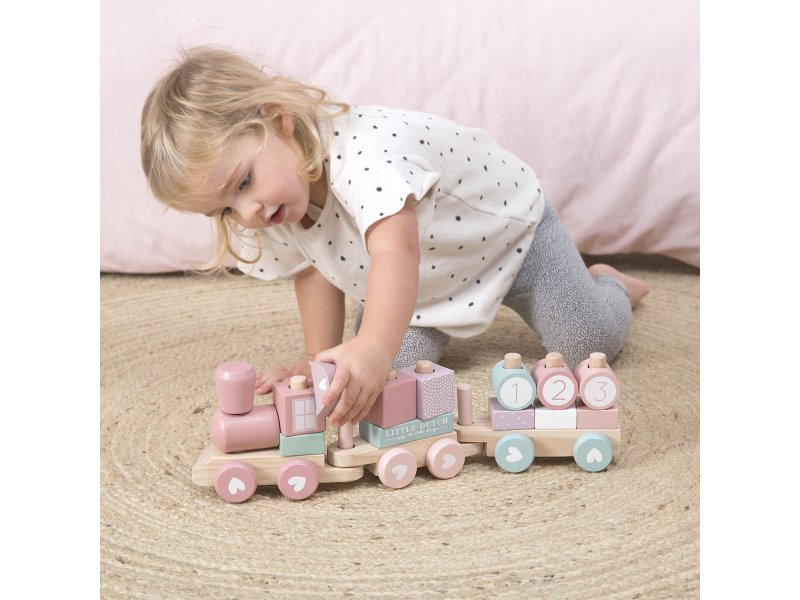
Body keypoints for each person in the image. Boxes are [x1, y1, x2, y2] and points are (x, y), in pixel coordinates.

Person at [141, 46, 649, 428]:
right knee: (373, 388)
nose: (246, 212)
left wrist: (373, 345)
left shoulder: (366, 154)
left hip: (508, 239)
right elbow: (313, 266)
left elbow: (396, 249)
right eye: (224, 209)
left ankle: (609, 286)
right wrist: (323, 360)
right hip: (421, 288)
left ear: (279, 121)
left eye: (244, 182)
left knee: (587, 341)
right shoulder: (275, 204)